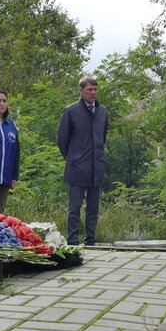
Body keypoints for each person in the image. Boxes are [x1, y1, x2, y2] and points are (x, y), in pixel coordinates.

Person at [58, 77, 109, 246]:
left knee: (93, 208)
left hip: (97, 166)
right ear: (81, 91)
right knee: (74, 208)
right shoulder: (71, 111)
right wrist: (74, 158)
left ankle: (91, 241)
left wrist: (98, 157)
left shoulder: (103, 112)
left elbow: (102, 137)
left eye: (95, 89)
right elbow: (62, 140)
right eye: (89, 89)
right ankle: (72, 241)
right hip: (77, 167)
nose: (93, 93)